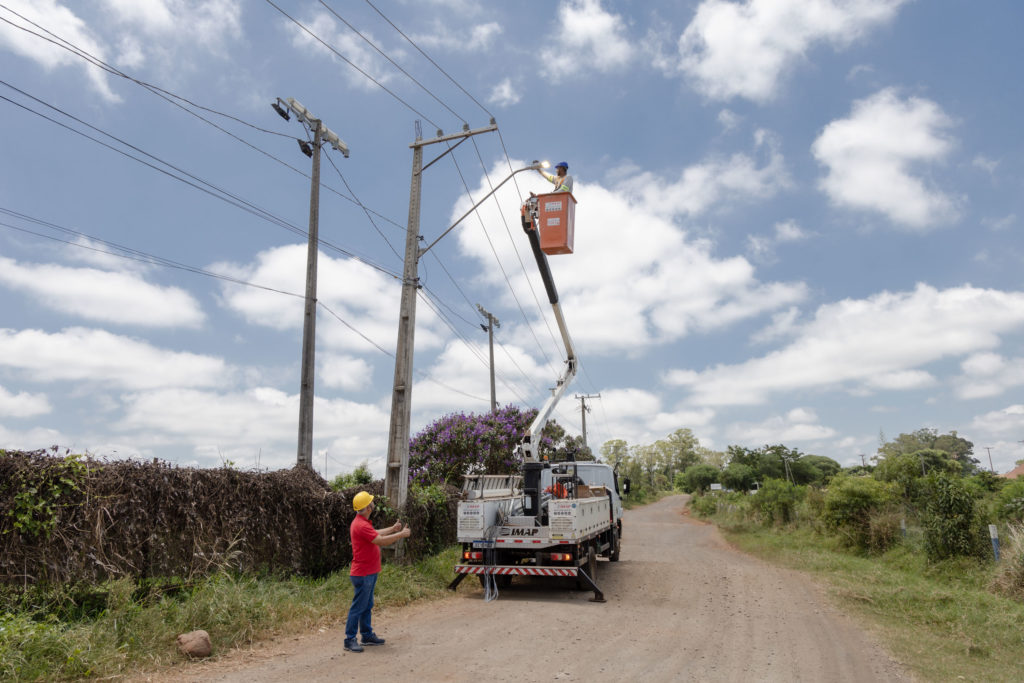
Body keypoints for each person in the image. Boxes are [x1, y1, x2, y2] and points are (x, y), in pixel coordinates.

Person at [344, 490, 411, 653]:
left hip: (368, 572)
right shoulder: (360, 525)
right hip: (363, 573)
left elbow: (376, 534)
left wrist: (393, 528)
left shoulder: (362, 522)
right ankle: (349, 639)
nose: (373, 503)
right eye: (371, 502)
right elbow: (379, 540)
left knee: (366, 605)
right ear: (367, 507)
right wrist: (401, 534)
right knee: (358, 607)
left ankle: (366, 635)